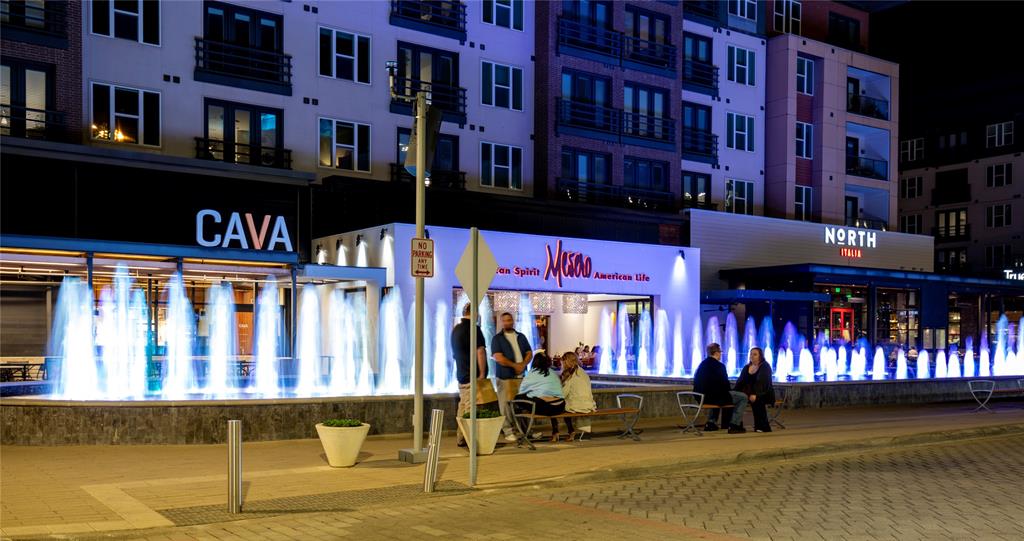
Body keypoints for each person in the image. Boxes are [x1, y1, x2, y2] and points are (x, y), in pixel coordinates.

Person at [450, 302, 489, 447]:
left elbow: (455, 354)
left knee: (463, 406)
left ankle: (461, 437)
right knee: (469, 408)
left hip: (461, 374)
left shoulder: (456, 330)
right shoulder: (474, 329)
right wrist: (482, 373)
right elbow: (480, 351)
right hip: (472, 375)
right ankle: (468, 439)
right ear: (474, 313)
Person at [491, 312, 532, 441]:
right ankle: (508, 431)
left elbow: (529, 352)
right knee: (505, 405)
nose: (507, 322)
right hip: (505, 377)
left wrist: (524, 364)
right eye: (504, 321)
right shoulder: (497, 339)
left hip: (521, 377)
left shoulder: (521, 336)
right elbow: (498, 357)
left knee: (522, 404)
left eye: (509, 320)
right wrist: (515, 366)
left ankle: (524, 431)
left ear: (513, 321)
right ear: (501, 322)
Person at [693, 343, 748, 433]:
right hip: (714, 398)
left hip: (701, 397)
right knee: (743, 397)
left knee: (717, 394)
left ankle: (711, 423)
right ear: (717, 353)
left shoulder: (702, 365)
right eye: (720, 352)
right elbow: (725, 384)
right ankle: (735, 424)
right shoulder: (719, 366)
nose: (721, 354)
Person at [515, 353, 566, 442]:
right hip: (560, 406)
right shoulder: (553, 373)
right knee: (536, 398)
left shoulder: (532, 373)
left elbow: (522, 391)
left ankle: (524, 431)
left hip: (546, 407)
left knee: (518, 398)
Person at [735, 347, 775, 433]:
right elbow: (740, 381)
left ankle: (762, 426)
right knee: (738, 398)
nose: (752, 356)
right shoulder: (747, 367)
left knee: (757, 400)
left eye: (755, 354)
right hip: (750, 393)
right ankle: (736, 425)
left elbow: (762, 382)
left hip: (764, 393)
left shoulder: (764, 366)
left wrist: (754, 393)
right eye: (751, 354)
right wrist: (735, 392)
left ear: (760, 356)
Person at [559, 351, 596, 440]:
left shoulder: (570, 375)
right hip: (589, 405)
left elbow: (563, 394)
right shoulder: (583, 372)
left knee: (560, 407)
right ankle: (571, 432)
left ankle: (570, 431)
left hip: (577, 406)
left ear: (565, 362)